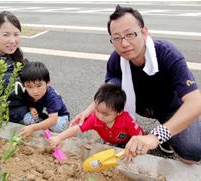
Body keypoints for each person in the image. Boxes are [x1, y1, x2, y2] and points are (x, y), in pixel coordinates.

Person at [70, 5, 201, 164]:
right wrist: (87, 112)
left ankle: (166, 134)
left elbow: (196, 102)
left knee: (191, 155)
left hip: (171, 107)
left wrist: (157, 136)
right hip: (138, 106)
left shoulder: (168, 54)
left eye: (130, 34)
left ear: (144, 33)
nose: (124, 43)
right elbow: (109, 94)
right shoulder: (116, 60)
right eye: (117, 37)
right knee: (114, 85)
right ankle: (116, 136)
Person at [48, 83, 144, 163]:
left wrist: (132, 152)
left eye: (105, 114)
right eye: (97, 110)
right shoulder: (95, 119)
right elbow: (77, 130)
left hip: (128, 141)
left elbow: (138, 136)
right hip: (109, 139)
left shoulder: (126, 119)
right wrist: (59, 137)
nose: (100, 116)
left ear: (118, 112)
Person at [17, 62, 70, 140]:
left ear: (47, 82)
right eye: (29, 87)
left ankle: (48, 131)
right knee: (27, 118)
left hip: (58, 117)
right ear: (24, 85)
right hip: (43, 115)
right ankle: (43, 127)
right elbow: (28, 102)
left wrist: (33, 128)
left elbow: (53, 120)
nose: (35, 91)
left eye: (39, 86)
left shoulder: (52, 97)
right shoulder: (27, 91)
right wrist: (31, 108)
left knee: (56, 126)